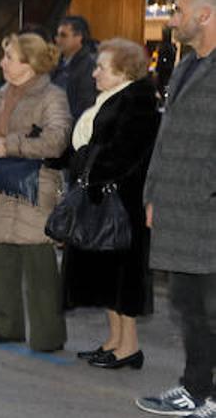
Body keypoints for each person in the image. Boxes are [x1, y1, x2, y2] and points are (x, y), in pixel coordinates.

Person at [135, 0, 216, 418]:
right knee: (187, 306)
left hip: (207, 209)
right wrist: (152, 194)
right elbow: (167, 139)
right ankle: (195, 387)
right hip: (178, 208)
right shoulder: (187, 66)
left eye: (178, 11)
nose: (171, 20)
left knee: (214, 308)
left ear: (204, 16)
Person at [61, 39, 160, 370]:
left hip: (122, 203)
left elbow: (125, 153)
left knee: (123, 277)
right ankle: (114, 340)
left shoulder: (139, 102)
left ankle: (129, 346)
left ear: (123, 71)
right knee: (106, 276)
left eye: (101, 67)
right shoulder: (111, 99)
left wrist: (92, 171)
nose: (94, 73)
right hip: (103, 198)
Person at [0, 33, 71, 351]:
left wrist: (10, 145)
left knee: (39, 266)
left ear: (29, 63)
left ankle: (48, 337)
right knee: (0, 261)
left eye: (9, 57)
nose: (2, 62)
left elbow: (57, 140)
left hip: (33, 186)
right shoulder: (0, 95)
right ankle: (7, 327)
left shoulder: (52, 96)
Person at [51, 15, 99, 120]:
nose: (58, 40)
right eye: (57, 35)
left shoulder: (88, 66)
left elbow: (85, 106)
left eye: (63, 35)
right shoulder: (57, 63)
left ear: (79, 37)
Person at [153, 25, 177, 103]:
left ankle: (162, 101)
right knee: (166, 86)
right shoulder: (173, 47)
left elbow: (160, 60)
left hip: (163, 70)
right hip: (170, 69)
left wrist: (156, 70)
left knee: (161, 86)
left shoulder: (163, 47)